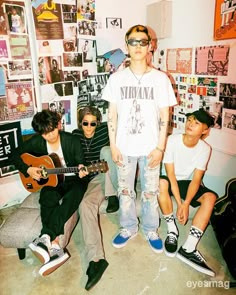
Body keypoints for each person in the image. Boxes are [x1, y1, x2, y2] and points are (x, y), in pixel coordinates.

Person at [102, 24, 177, 252]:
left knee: (150, 192)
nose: (138, 46)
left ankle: (151, 229)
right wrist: (113, 145)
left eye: (142, 42)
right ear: (127, 46)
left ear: (150, 46)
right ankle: (128, 227)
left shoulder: (161, 79)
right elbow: (111, 114)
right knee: (125, 191)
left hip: (150, 148)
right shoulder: (117, 79)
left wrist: (160, 148)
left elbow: (166, 115)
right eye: (133, 41)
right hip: (123, 147)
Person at [10, 110, 88, 276]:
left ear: (58, 125)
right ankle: (54, 247)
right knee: (47, 196)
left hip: (73, 180)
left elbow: (81, 163)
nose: (50, 136)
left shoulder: (72, 140)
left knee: (73, 196)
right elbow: (14, 154)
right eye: (45, 133)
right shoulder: (38, 142)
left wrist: (81, 168)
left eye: (52, 130)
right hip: (53, 180)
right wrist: (28, 169)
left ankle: (46, 237)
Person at [158, 109, 218, 277]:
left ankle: (189, 248)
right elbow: (170, 174)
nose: (190, 124)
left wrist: (186, 203)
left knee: (211, 197)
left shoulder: (205, 149)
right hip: (168, 178)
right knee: (162, 183)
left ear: (205, 130)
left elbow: (196, 180)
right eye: (190, 120)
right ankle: (172, 231)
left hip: (185, 182)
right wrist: (179, 203)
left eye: (197, 123)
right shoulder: (172, 140)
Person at [73, 106, 119, 290]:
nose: (89, 127)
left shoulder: (104, 130)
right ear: (80, 122)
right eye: (86, 123)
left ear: (98, 123)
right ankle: (97, 260)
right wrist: (79, 167)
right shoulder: (75, 135)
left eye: (93, 123)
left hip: (107, 175)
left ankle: (112, 195)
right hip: (90, 178)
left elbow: (119, 121)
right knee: (85, 205)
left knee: (107, 151)